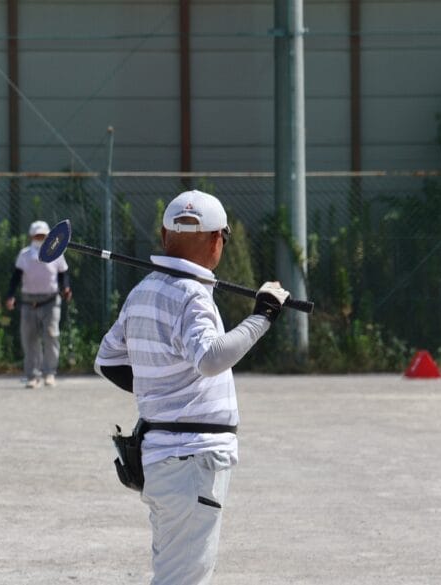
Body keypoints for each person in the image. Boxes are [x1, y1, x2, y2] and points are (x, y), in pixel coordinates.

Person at [94, 190, 290, 585]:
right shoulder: (193, 296)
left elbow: (107, 360)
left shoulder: (143, 292)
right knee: (184, 579)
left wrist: (160, 389)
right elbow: (212, 358)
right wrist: (263, 317)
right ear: (218, 241)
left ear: (165, 237)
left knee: (174, 571)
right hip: (192, 460)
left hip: (161, 459)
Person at [6, 220, 72, 388]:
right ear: (31, 236)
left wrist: (65, 288)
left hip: (50, 300)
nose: (40, 238)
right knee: (29, 338)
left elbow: (63, 273)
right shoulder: (25, 254)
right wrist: (10, 296)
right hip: (29, 301)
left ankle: (50, 373)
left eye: (43, 235)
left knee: (51, 336)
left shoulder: (57, 252)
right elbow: (15, 277)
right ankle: (32, 376)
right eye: (37, 235)